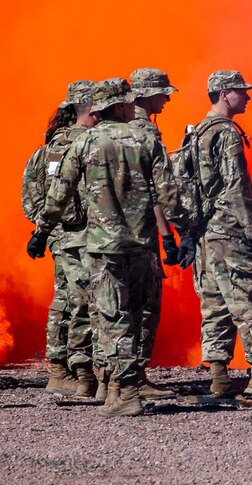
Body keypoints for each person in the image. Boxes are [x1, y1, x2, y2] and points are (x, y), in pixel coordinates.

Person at [29, 79, 168, 416]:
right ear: (120, 106)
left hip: (103, 246)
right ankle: (120, 388)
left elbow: (60, 192)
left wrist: (42, 230)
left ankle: (126, 393)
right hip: (142, 244)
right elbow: (168, 191)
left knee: (112, 318)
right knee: (135, 315)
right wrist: (182, 234)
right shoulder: (146, 138)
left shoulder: (86, 142)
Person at [188, 70, 252, 400]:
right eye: (242, 91)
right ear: (225, 93)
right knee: (251, 301)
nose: (248, 96)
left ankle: (219, 378)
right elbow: (237, 185)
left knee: (214, 306)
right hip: (230, 231)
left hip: (205, 234)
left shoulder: (197, 132)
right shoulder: (225, 133)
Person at [22, 81, 94, 398]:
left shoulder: (48, 148)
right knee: (77, 299)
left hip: (58, 232)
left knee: (67, 297)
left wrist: (45, 228)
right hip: (83, 232)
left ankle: (65, 368)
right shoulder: (86, 144)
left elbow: (30, 195)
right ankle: (66, 370)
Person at [126, 67, 187, 400]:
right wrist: (174, 233)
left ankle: (117, 377)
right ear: (146, 95)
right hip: (141, 234)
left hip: (117, 232)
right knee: (145, 306)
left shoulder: (117, 129)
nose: (166, 99)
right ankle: (135, 376)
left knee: (120, 306)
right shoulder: (145, 133)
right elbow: (157, 191)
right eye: (163, 93)